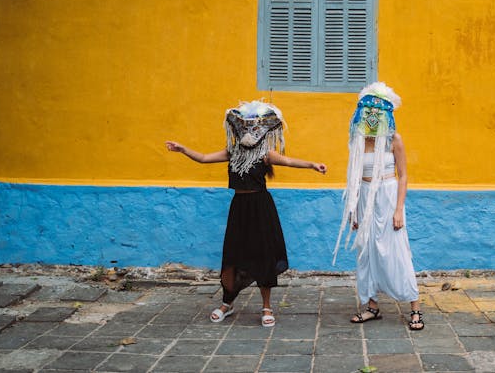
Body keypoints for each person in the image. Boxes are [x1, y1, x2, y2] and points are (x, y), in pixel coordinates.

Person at [166, 100, 327, 327]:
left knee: (263, 256)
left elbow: (290, 161)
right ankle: (227, 303)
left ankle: (267, 307)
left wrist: (312, 165)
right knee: (232, 256)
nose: (249, 131)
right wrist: (183, 150)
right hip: (239, 208)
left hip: (260, 208)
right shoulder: (232, 152)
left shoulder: (265, 154)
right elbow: (203, 158)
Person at [333, 82, 423, 331]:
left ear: (385, 114)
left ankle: (415, 308)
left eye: (378, 112)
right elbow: (354, 176)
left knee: (397, 250)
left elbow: (403, 176)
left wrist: (398, 209)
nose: (372, 116)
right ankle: (371, 306)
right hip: (364, 198)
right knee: (366, 253)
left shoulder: (394, 139)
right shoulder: (358, 139)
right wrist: (353, 209)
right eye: (368, 112)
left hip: (388, 195)